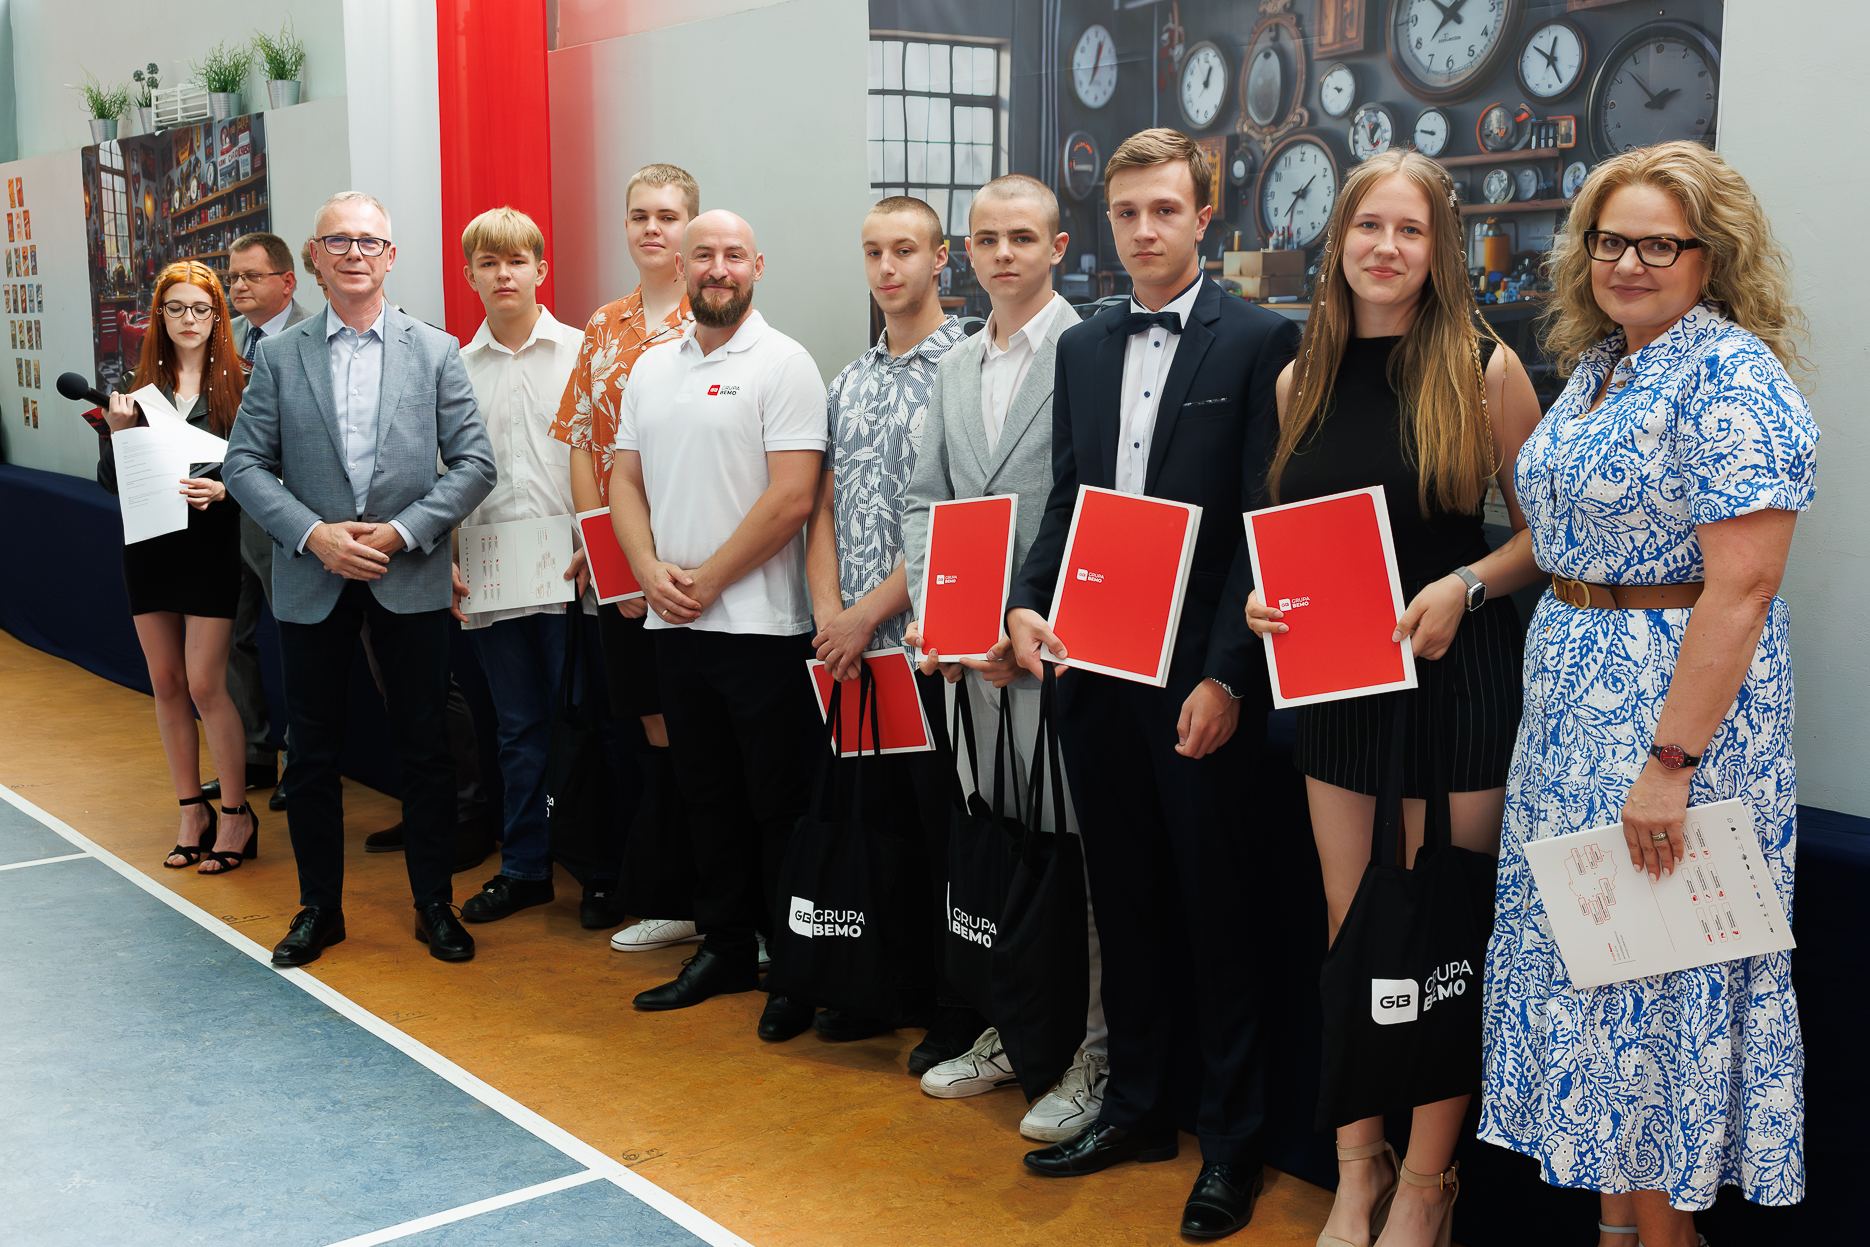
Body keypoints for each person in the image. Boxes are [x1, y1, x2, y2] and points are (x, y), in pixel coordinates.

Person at [1481, 143, 1815, 1247]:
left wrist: (1670, 766)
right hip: (1572, 705)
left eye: (1658, 244)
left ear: (1712, 255)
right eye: (1609, 240)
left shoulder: (1731, 375)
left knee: (1661, 989)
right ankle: (1616, 1233)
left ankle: (1664, 1240)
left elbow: (1744, 586)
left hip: (1668, 728)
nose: (1628, 262)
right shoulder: (1601, 365)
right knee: (1598, 979)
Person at [1002, 129, 1300, 1239]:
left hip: (1197, 684)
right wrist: (1026, 602)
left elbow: (1262, 526)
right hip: (1092, 669)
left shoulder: (1261, 339)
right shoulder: (1083, 346)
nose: (1142, 230)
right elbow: (1069, 496)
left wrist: (1227, 678)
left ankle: (1231, 1143)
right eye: (1126, 211)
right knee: (1122, 903)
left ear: (1203, 216)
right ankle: (1134, 1107)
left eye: (1164, 209)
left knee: (1217, 914)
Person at [1242, 149, 1543, 1247]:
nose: (1385, 246)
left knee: (1442, 929)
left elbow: (1546, 536)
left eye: (1409, 229)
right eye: (1368, 225)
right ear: (1339, 241)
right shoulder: (1300, 379)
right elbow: (1290, 538)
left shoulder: (1484, 366)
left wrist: (1466, 585)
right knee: (1352, 926)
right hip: (1338, 686)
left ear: (1438, 248)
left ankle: (1425, 1183)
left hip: (1457, 679)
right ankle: (1355, 1169)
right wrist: (1264, 605)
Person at [224, 191, 497, 968]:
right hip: (311, 578)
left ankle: (434, 903)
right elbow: (243, 465)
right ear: (314, 256)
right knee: (312, 754)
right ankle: (320, 909)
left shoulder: (434, 350)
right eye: (337, 241)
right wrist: (315, 535)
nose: (353, 253)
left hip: (408, 575)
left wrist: (404, 530)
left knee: (426, 749)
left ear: (390, 256)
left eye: (368, 241)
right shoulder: (280, 356)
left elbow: (475, 463)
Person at [899, 173, 1111, 1140]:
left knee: (1083, 864)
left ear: (1058, 247)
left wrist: (1031, 622)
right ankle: (1013, 1027)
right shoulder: (954, 365)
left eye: (1022, 237)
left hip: (1055, 652)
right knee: (1005, 850)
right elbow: (927, 501)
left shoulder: (1091, 351)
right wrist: (939, 615)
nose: (1003, 254)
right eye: (986, 238)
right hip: (970, 662)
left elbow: (1094, 506)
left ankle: (1093, 1052)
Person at [607, 209, 827, 1035]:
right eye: (705, 254)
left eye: (735, 255)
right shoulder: (651, 367)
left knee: (777, 805)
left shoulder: (784, 362)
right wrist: (647, 568)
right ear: (683, 265)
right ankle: (727, 946)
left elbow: (793, 496)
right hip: (675, 626)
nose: (719, 268)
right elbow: (624, 479)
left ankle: (794, 968)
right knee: (705, 797)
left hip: (762, 628)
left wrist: (705, 579)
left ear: (757, 267)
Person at [792, 194, 967, 1044]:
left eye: (904, 249)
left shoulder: (965, 367)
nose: (887, 267)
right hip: (854, 653)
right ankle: (879, 987)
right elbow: (821, 507)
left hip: (927, 645)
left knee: (940, 831)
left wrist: (866, 614)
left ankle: (949, 1002)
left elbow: (952, 518)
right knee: (875, 825)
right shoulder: (848, 380)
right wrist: (831, 614)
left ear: (940, 258)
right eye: (873, 252)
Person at [448, 206, 611, 927]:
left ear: (542, 270)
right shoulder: (454, 369)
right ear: (470, 276)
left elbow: (610, 462)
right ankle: (525, 868)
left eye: (517, 261)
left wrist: (602, 548)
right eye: (489, 263)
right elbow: (444, 475)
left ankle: (600, 869)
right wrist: (448, 557)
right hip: (492, 575)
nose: (504, 274)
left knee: (588, 725)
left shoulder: (583, 353)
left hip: (576, 573)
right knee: (516, 730)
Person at [549, 164, 698, 948]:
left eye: (667, 216)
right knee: (647, 729)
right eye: (640, 215)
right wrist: (609, 553)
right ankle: (671, 894)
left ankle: (722, 900)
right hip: (623, 569)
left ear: (691, 227)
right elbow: (582, 441)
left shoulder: (714, 320)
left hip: (694, 567)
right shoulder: (604, 325)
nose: (652, 228)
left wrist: (654, 561)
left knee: (700, 731)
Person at [96, 260, 260, 877]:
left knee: (205, 685)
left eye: (200, 308)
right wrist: (117, 434)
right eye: (175, 308)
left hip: (211, 549)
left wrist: (226, 490)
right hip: (148, 547)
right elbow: (112, 483)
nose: (188, 319)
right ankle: (193, 812)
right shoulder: (136, 391)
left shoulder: (246, 383)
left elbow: (270, 471)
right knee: (165, 682)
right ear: (159, 317)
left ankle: (237, 814)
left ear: (217, 315)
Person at [213, 231, 312, 813]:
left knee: (297, 640)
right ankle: (251, 752)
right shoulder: (224, 340)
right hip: (224, 512)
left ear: (287, 282)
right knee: (228, 636)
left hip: (286, 516)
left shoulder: (311, 337)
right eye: (233, 278)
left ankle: (302, 760)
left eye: (251, 276)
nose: (239, 287)